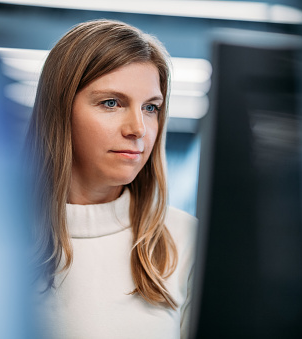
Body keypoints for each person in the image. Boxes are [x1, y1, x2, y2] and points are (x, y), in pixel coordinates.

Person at [24, 19, 198, 339]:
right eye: (111, 103)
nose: (138, 129)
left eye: (150, 107)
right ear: (60, 111)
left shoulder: (186, 239)